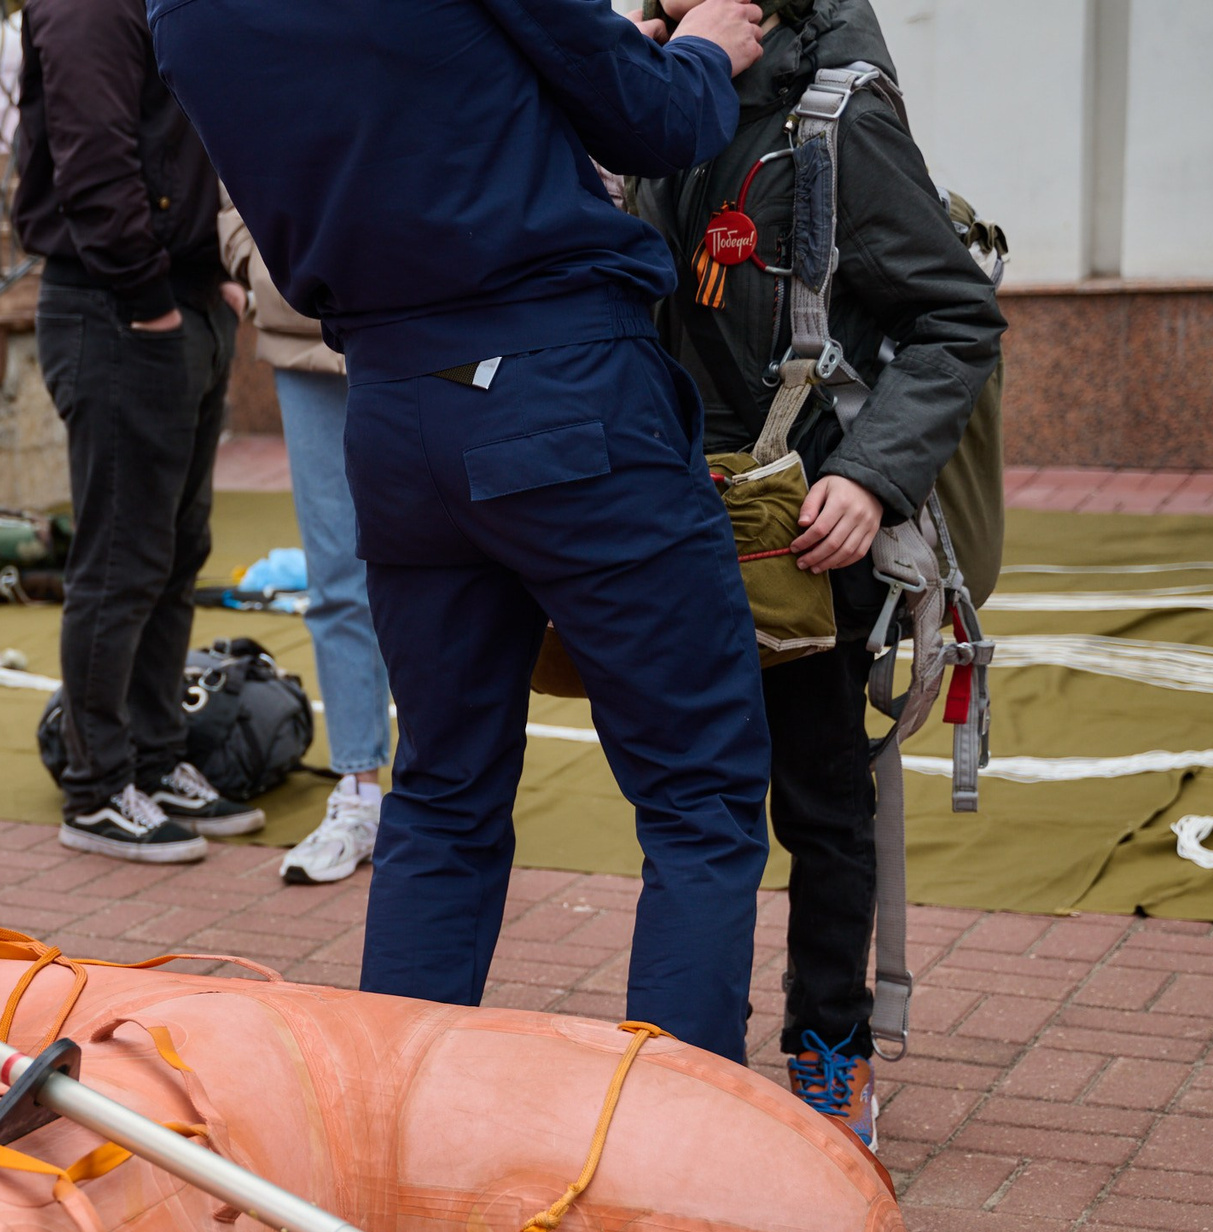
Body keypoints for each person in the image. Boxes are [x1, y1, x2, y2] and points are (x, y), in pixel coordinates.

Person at [153, 0, 778, 1061]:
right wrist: (704, 51)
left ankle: (389, 1116)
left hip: (395, 408)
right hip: (559, 381)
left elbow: (386, 103)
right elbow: (657, 120)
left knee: (442, 792)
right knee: (698, 788)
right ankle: (676, 1126)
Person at [630, 0, 1002, 1136]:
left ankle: (830, 1047)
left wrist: (873, 477)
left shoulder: (837, 120)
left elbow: (955, 319)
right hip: (670, 512)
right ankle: (688, 1060)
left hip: (807, 531)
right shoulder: (648, 100)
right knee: (692, 804)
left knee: (821, 802)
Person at [15, 0, 260, 864]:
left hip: (172, 297)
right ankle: (97, 787)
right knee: (121, 561)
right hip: (117, 306)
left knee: (175, 550)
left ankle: (155, 758)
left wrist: (204, 275)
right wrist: (151, 296)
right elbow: (94, 155)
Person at [218, 204, 390, 886]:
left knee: (456, 565)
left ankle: (451, 790)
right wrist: (259, 265)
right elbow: (228, 175)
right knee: (336, 573)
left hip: (430, 315)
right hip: (303, 326)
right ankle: (359, 791)